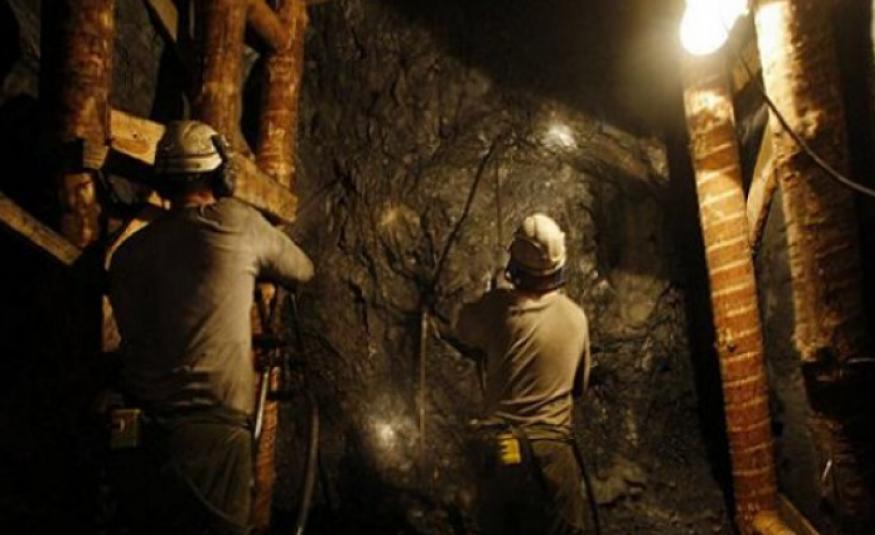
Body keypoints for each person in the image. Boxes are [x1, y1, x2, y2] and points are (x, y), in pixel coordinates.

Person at [106, 120, 314, 534]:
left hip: (140, 435)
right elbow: (302, 269)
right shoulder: (237, 223)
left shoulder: (128, 254)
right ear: (220, 174)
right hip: (212, 435)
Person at [454, 213, 591, 535]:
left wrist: (492, 293)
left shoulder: (495, 308)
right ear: (559, 265)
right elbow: (579, 386)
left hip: (507, 448)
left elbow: (459, 325)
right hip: (553, 451)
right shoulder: (576, 317)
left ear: (515, 265)